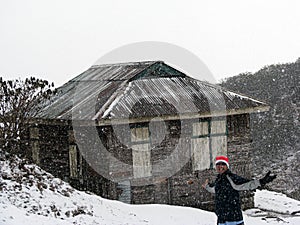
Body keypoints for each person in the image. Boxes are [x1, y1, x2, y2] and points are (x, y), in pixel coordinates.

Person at [202, 155, 276, 225]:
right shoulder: (219, 180)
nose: (220, 166)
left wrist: (261, 182)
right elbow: (214, 189)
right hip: (221, 218)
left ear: (227, 166)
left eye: (223, 164)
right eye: (218, 164)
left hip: (233, 218)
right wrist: (206, 186)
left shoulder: (232, 178)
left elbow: (247, 184)